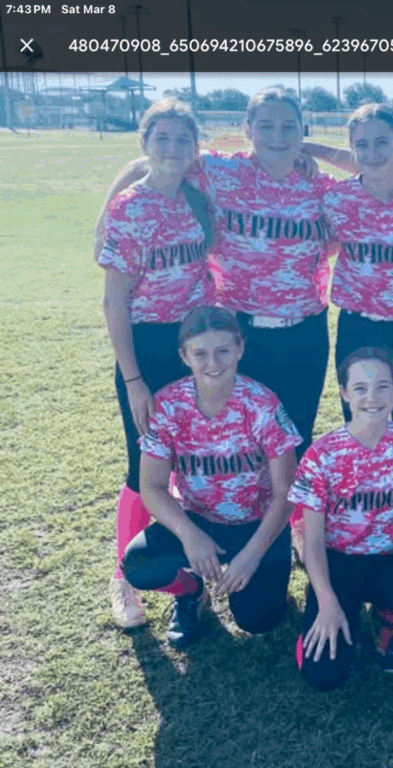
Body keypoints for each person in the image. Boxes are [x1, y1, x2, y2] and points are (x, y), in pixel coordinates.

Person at [100, 86, 334, 462]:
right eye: (267, 126)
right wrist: (103, 224)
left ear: (302, 131)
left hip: (305, 332)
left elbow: (367, 181)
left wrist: (311, 151)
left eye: (289, 127)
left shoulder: (318, 185)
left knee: (296, 439)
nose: (277, 136)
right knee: (238, 444)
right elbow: (149, 164)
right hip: (237, 333)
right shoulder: (221, 171)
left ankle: (287, 523)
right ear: (248, 130)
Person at [96, 98, 213, 629]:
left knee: (190, 459)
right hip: (145, 345)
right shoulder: (129, 206)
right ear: (145, 144)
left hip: (193, 346)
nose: (172, 149)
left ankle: (190, 575)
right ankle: (126, 576)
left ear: (195, 147)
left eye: (181, 140)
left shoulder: (199, 191)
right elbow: (114, 302)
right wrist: (134, 378)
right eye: (160, 139)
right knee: (142, 463)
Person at [121, 307, 301, 648]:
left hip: (257, 525)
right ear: (184, 356)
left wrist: (252, 554)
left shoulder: (262, 404)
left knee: (259, 619)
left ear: (240, 350)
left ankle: (270, 576)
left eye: (223, 350)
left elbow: (286, 492)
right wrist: (189, 534)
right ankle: (192, 593)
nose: (213, 362)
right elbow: (152, 487)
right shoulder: (168, 405)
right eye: (200, 353)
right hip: (201, 521)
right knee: (140, 565)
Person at [288, 347, 393, 691]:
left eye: (382, 387)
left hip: (391, 562)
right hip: (338, 565)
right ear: (345, 394)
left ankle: (386, 617)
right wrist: (327, 601)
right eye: (360, 388)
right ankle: (336, 611)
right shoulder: (322, 454)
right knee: (323, 674)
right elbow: (312, 539)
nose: (371, 397)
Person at [315, 104, 393, 431]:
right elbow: (323, 246)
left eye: (382, 142)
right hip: (359, 325)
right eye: (362, 145)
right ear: (352, 148)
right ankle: (361, 484)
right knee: (360, 423)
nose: (372, 153)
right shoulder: (337, 198)